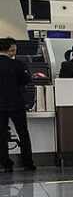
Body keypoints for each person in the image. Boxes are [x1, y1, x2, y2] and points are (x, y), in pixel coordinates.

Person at [0, 38, 34, 172]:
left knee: (1, 135)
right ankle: (27, 163)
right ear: (11, 50)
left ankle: (6, 164)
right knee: (23, 133)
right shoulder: (18, 64)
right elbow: (26, 81)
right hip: (16, 103)